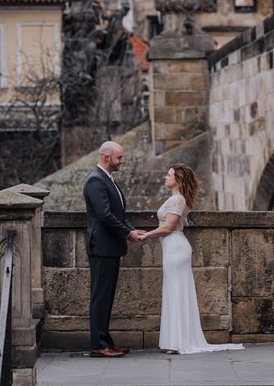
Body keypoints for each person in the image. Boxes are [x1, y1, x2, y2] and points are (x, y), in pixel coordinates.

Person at [142, 164, 244, 355]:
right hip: (172, 248)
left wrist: (145, 236)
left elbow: (168, 227)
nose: (166, 177)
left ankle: (178, 342)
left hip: (176, 249)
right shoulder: (176, 199)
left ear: (178, 180)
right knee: (174, 292)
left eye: (169, 175)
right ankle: (176, 341)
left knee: (177, 292)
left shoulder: (178, 200)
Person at [83, 141, 145, 357]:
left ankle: (106, 341)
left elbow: (117, 215)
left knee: (106, 297)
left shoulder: (107, 180)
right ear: (106, 157)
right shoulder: (95, 180)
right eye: (119, 158)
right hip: (101, 247)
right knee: (100, 297)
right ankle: (98, 345)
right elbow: (105, 216)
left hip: (109, 246)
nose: (122, 162)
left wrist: (131, 229)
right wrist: (127, 233)